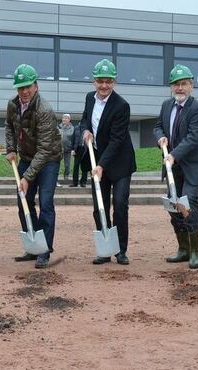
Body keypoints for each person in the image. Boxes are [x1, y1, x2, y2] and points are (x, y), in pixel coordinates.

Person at [5, 64, 62, 269]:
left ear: (36, 86)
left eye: (28, 86)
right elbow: (9, 127)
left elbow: (45, 150)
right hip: (27, 157)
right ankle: (33, 245)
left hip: (49, 159)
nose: (24, 91)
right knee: (23, 201)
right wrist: (11, 148)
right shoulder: (13, 105)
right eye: (20, 87)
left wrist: (27, 177)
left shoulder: (44, 110)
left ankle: (44, 249)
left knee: (45, 202)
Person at [81, 59, 136, 266]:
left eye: (109, 81)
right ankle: (105, 249)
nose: (104, 86)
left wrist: (101, 165)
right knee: (99, 207)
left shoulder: (122, 106)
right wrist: (85, 130)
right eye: (100, 81)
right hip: (98, 161)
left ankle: (121, 250)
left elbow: (116, 140)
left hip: (119, 163)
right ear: (94, 81)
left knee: (120, 205)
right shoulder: (89, 98)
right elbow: (85, 119)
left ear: (114, 82)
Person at [154, 64, 198, 269]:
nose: (180, 88)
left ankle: (195, 252)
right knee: (173, 205)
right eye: (176, 84)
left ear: (191, 86)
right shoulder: (166, 105)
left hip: (192, 166)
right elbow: (158, 126)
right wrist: (161, 138)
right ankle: (183, 249)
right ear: (171, 87)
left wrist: (174, 155)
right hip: (172, 168)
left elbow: (194, 137)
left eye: (184, 84)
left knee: (188, 202)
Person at [70, 121, 89, 187]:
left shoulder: (88, 129)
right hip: (77, 149)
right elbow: (73, 139)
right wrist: (72, 149)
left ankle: (83, 182)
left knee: (84, 166)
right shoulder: (76, 128)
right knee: (76, 166)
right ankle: (75, 182)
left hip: (86, 149)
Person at [58, 113, 75, 182]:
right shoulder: (58, 127)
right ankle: (56, 177)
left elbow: (73, 139)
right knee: (57, 164)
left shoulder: (72, 128)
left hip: (68, 149)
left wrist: (73, 149)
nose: (64, 119)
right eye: (63, 118)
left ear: (69, 120)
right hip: (59, 149)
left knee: (67, 164)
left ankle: (66, 176)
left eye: (66, 118)